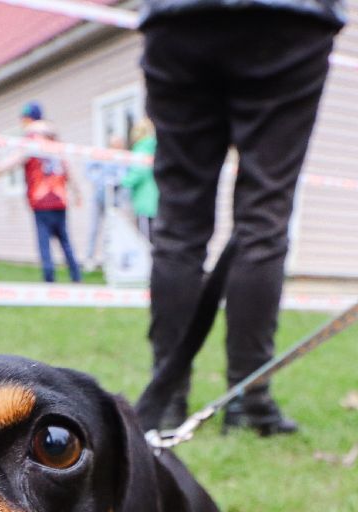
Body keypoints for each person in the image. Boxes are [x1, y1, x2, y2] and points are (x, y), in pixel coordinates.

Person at [138, 0, 345, 436]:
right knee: (263, 221)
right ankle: (249, 402)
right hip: (288, 18)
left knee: (179, 224)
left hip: (178, 19)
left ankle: (168, 398)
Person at [0, 101, 81, 284]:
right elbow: (67, 167)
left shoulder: (31, 140)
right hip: (59, 198)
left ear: (28, 120)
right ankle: (76, 278)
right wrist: (77, 192)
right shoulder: (54, 140)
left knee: (44, 244)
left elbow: (11, 163)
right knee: (65, 241)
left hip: (41, 201)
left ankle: (50, 281)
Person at [82, 134, 127, 271]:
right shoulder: (103, 155)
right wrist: (99, 180)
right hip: (99, 198)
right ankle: (89, 259)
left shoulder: (124, 159)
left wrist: (116, 180)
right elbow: (89, 169)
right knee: (94, 228)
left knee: (112, 229)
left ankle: (110, 259)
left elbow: (125, 177)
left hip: (113, 200)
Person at [123, 118, 158, 240]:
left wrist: (123, 181)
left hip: (145, 203)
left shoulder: (141, 149)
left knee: (146, 241)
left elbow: (138, 172)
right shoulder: (155, 147)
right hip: (157, 201)